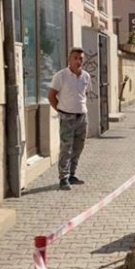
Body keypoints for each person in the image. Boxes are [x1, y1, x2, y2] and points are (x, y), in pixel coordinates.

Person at [47, 47, 91, 191]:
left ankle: (72, 174)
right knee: (66, 148)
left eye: (81, 59)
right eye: (75, 58)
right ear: (69, 59)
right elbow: (51, 96)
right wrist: (61, 111)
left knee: (78, 148)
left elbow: (85, 94)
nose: (78, 61)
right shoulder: (61, 76)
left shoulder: (85, 76)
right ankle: (63, 178)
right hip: (67, 117)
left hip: (82, 117)